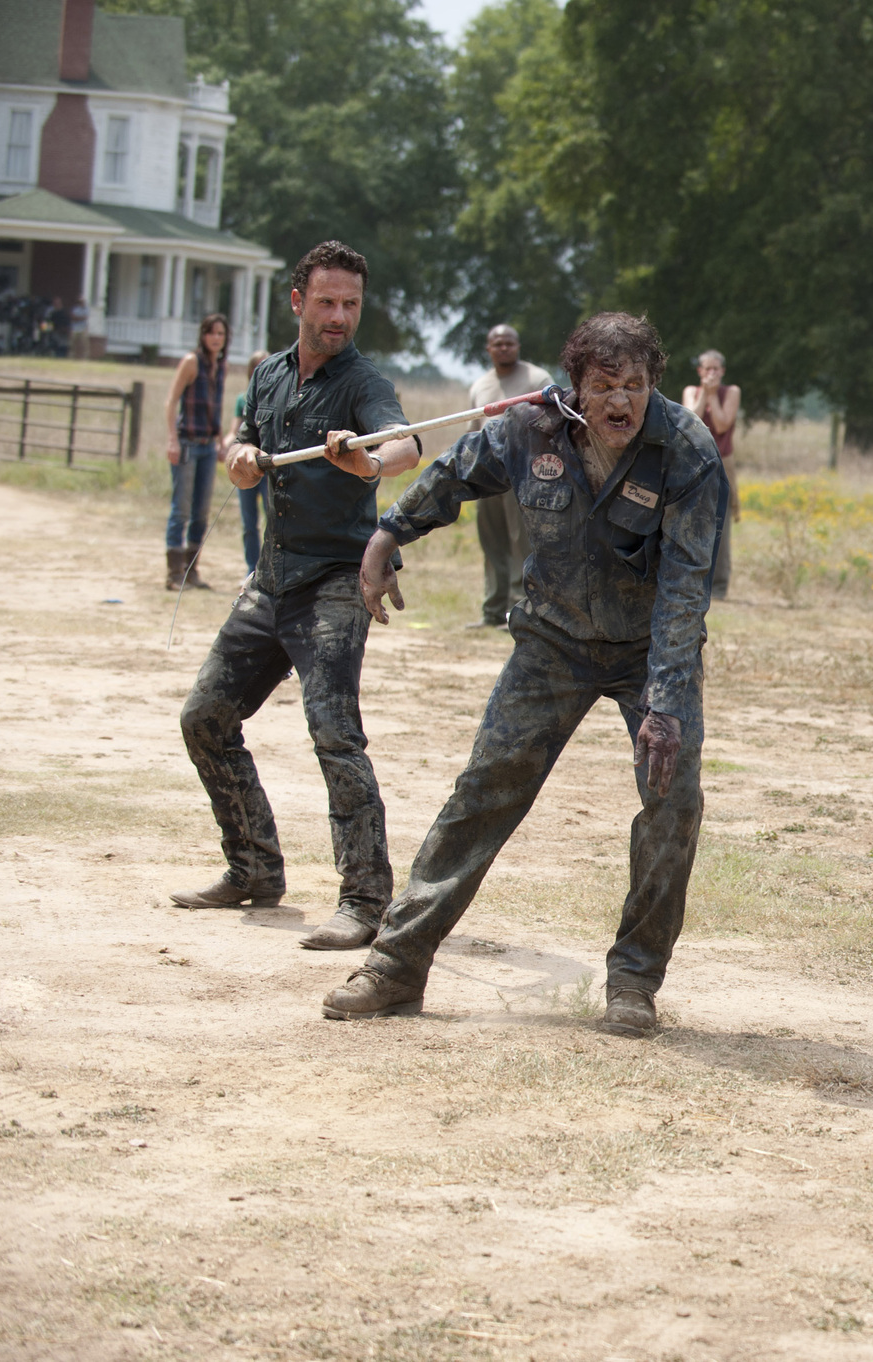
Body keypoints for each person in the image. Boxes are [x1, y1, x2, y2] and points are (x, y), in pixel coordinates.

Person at [319, 312, 723, 1037]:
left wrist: (665, 703)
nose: (622, 403)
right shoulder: (526, 429)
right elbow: (450, 475)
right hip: (551, 641)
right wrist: (386, 534)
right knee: (485, 789)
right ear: (576, 387)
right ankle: (395, 965)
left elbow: (686, 591)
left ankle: (633, 980)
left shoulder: (686, 451)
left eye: (636, 385)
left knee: (673, 803)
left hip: (649, 652)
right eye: (605, 386)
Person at [172, 241, 423, 955]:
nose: (340, 316)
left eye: (350, 304)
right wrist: (238, 457)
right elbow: (240, 445)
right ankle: (252, 867)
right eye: (327, 303)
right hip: (271, 580)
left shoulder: (362, 384)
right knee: (204, 720)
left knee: (334, 734)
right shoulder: (268, 375)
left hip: (337, 583)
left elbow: (404, 445)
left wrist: (367, 460)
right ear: (297, 303)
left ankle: (366, 901)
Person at [466, 324, 552, 628]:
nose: (503, 348)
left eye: (509, 343)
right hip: (488, 474)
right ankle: (492, 610)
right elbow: (472, 432)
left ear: (518, 346)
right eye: (497, 343)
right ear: (488, 348)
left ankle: (517, 611)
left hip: (523, 473)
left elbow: (551, 426)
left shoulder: (537, 379)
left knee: (521, 543)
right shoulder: (480, 385)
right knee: (493, 543)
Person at [162, 313, 231, 591]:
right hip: (187, 442)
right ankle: (173, 573)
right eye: (212, 333)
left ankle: (192, 569)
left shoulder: (220, 366)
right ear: (203, 335)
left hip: (206, 444)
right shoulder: (192, 362)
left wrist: (219, 440)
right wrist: (172, 440)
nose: (216, 338)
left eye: (221, 334)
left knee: (201, 511)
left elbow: (214, 405)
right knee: (182, 508)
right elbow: (171, 400)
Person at [681, 349, 740, 598]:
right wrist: (705, 393)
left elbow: (722, 424)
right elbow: (690, 421)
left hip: (723, 462)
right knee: (690, 519)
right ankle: (691, 580)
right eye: (707, 369)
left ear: (723, 371)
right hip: (694, 461)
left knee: (722, 522)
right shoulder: (690, 391)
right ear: (700, 371)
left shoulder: (732, 392)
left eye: (716, 369)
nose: (712, 373)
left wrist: (714, 396)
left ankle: (718, 587)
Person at [224, 348, 272, 586]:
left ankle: (267, 568)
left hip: (270, 467)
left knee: (271, 518)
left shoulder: (278, 396)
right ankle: (250, 567)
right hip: (247, 467)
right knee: (248, 521)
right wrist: (229, 443)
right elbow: (237, 429)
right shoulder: (244, 399)